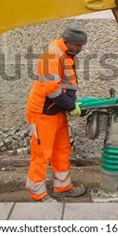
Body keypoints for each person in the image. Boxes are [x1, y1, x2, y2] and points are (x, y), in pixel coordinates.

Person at [25, 22, 87, 202]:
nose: (81, 48)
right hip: (42, 111)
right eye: (78, 45)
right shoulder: (52, 54)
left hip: (56, 110)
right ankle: (37, 191)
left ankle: (62, 187)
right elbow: (51, 89)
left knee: (62, 150)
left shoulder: (67, 53)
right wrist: (70, 106)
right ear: (68, 41)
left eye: (82, 45)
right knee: (42, 153)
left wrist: (72, 102)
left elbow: (68, 84)